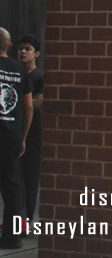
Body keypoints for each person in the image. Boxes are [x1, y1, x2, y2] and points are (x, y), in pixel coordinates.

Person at [0, 28, 32, 250]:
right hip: (11, 138)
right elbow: (28, 106)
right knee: (12, 190)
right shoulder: (19, 71)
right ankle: (12, 238)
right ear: (10, 46)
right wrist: (23, 137)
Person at [16, 35, 42, 225]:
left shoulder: (39, 77)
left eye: (27, 49)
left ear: (36, 54)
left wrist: (20, 103)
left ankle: (26, 219)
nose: (22, 52)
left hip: (33, 135)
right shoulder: (15, 74)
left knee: (30, 179)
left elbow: (38, 103)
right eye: (20, 49)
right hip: (14, 133)